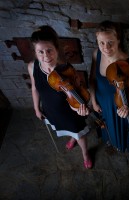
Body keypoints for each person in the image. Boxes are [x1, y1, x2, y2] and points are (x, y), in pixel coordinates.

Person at [28, 25, 92, 169]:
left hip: (70, 111)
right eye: (40, 52)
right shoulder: (32, 67)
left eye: (49, 50)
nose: (46, 56)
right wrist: (36, 108)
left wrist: (80, 108)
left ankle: (85, 153)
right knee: (67, 131)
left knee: (79, 134)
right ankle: (72, 138)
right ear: (36, 53)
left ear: (56, 49)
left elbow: (77, 93)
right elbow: (34, 88)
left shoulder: (66, 69)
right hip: (50, 110)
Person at [89, 20, 129, 152]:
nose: (106, 47)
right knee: (106, 126)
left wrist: (126, 107)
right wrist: (93, 102)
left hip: (118, 106)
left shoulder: (128, 64)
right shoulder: (96, 54)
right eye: (101, 43)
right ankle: (109, 141)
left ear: (118, 40)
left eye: (111, 42)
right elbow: (92, 79)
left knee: (119, 129)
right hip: (101, 104)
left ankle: (120, 145)